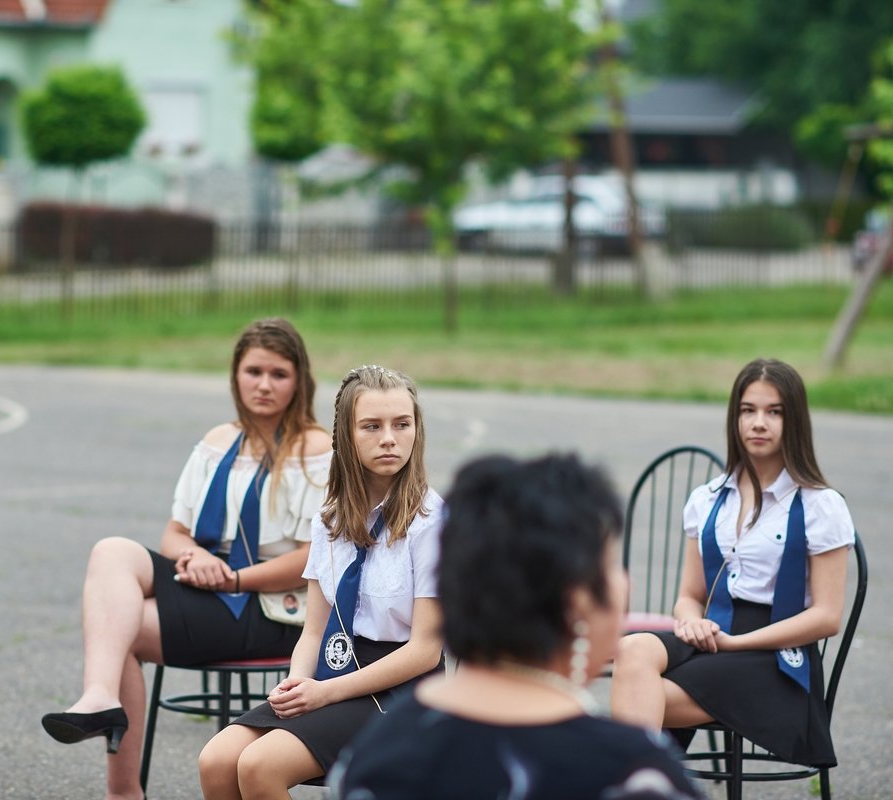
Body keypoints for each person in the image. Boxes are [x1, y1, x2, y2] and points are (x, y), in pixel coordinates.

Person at [40, 318, 332, 800]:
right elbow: (174, 533)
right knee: (112, 550)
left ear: (300, 379)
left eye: (278, 374)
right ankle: (100, 698)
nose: (264, 384)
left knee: (120, 633)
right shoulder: (217, 442)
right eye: (253, 371)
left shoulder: (315, 449)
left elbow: (314, 557)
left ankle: (122, 792)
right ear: (235, 375)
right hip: (211, 585)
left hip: (271, 606)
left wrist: (236, 578)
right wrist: (196, 556)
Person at [330, 453, 702, 800]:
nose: (625, 581)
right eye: (610, 564)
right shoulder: (633, 773)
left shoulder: (377, 748)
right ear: (577, 602)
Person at [198, 365, 445, 797]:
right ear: (346, 438)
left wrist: (326, 694)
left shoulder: (431, 521)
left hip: (401, 688)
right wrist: (297, 682)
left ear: (416, 431)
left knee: (259, 766)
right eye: (372, 426)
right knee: (216, 761)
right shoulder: (328, 520)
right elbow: (314, 630)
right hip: (332, 671)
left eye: (401, 424)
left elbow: (426, 651)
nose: (389, 437)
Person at [612, 358, 855, 769]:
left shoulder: (820, 505)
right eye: (748, 410)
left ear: (794, 421)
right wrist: (690, 621)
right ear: (735, 418)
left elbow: (827, 617)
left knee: (642, 696)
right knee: (632, 649)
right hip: (713, 635)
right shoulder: (708, 498)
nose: (758, 423)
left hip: (776, 653)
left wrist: (736, 643)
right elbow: (690, 596)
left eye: (773, 412)